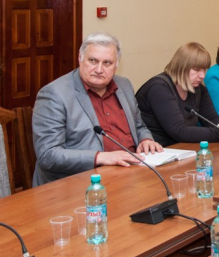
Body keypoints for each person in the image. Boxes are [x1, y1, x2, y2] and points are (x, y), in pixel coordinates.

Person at [32, 32, 163, 187]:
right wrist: (101, 157)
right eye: (93, 61)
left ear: (116, 65)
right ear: (80, 58)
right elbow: (48, 155)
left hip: (131, 174)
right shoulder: (55, 94)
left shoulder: (124, 85)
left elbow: (139, 126)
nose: (99, 69)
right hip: (79, 184)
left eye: (107, 63)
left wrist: (145, 140)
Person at [136, 43, 219, 147]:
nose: (202, 76)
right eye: (196, 70)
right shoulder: (159, 88)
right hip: (158, 152)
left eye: (204, 70)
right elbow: (179, 131)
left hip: (183, 149)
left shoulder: (197, 87)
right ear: (181, 67)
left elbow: (212, 120)